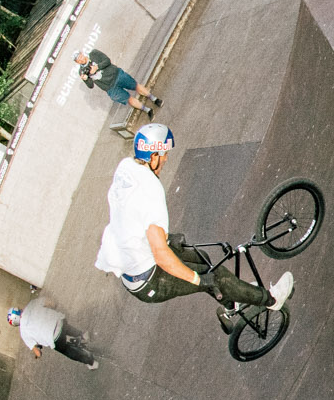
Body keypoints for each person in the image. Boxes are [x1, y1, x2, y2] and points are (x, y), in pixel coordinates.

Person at [93, 124, 294, 318]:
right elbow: (161, 255)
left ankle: (232, 302)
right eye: (164, 154)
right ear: (153, 156)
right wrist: (197, 280)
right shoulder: (151, 191)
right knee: (216, 277)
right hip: (149, 279)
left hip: (137, 257)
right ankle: (272, 300)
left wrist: (168, 238)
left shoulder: (126, 168)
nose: (166, 159)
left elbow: (129, 215)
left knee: (201, 257)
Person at [7, 303, 96, 368]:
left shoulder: (23, 333)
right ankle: (83, 335)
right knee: (66, 327)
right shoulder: (30, 306)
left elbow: (38, 352)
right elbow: (50, 303)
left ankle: (91, 362)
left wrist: (38, 354)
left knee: (68, 351)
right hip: (59, 320)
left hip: (54, 337)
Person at [75, 49, 160, 115]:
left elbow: (107, 61)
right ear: (77, 62)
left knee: (135, 86)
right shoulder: (82, 72)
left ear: (82, 53)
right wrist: (86, 79)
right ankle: (147, 110)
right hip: (110, 88)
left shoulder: (94, 53)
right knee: (128, 100)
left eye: (80, 56)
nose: (81, 59)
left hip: (117, 74)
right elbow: (91, 86)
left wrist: (97, 67)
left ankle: (154, 98)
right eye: (78, 60)